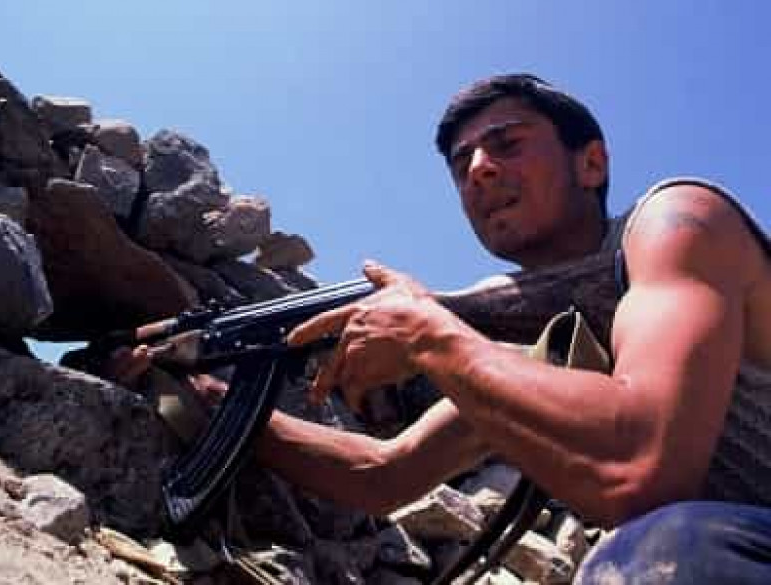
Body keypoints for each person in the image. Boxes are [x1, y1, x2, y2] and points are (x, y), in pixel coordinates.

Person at [118, 74, 771, 583]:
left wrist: (431, 335)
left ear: (592, 164)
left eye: (508, 144)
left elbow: (642, 468)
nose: (479, 169)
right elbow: (384, 474)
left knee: (658, 552)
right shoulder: (541, 350)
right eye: (462, 165)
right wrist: (208, 399)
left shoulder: (678, 225)